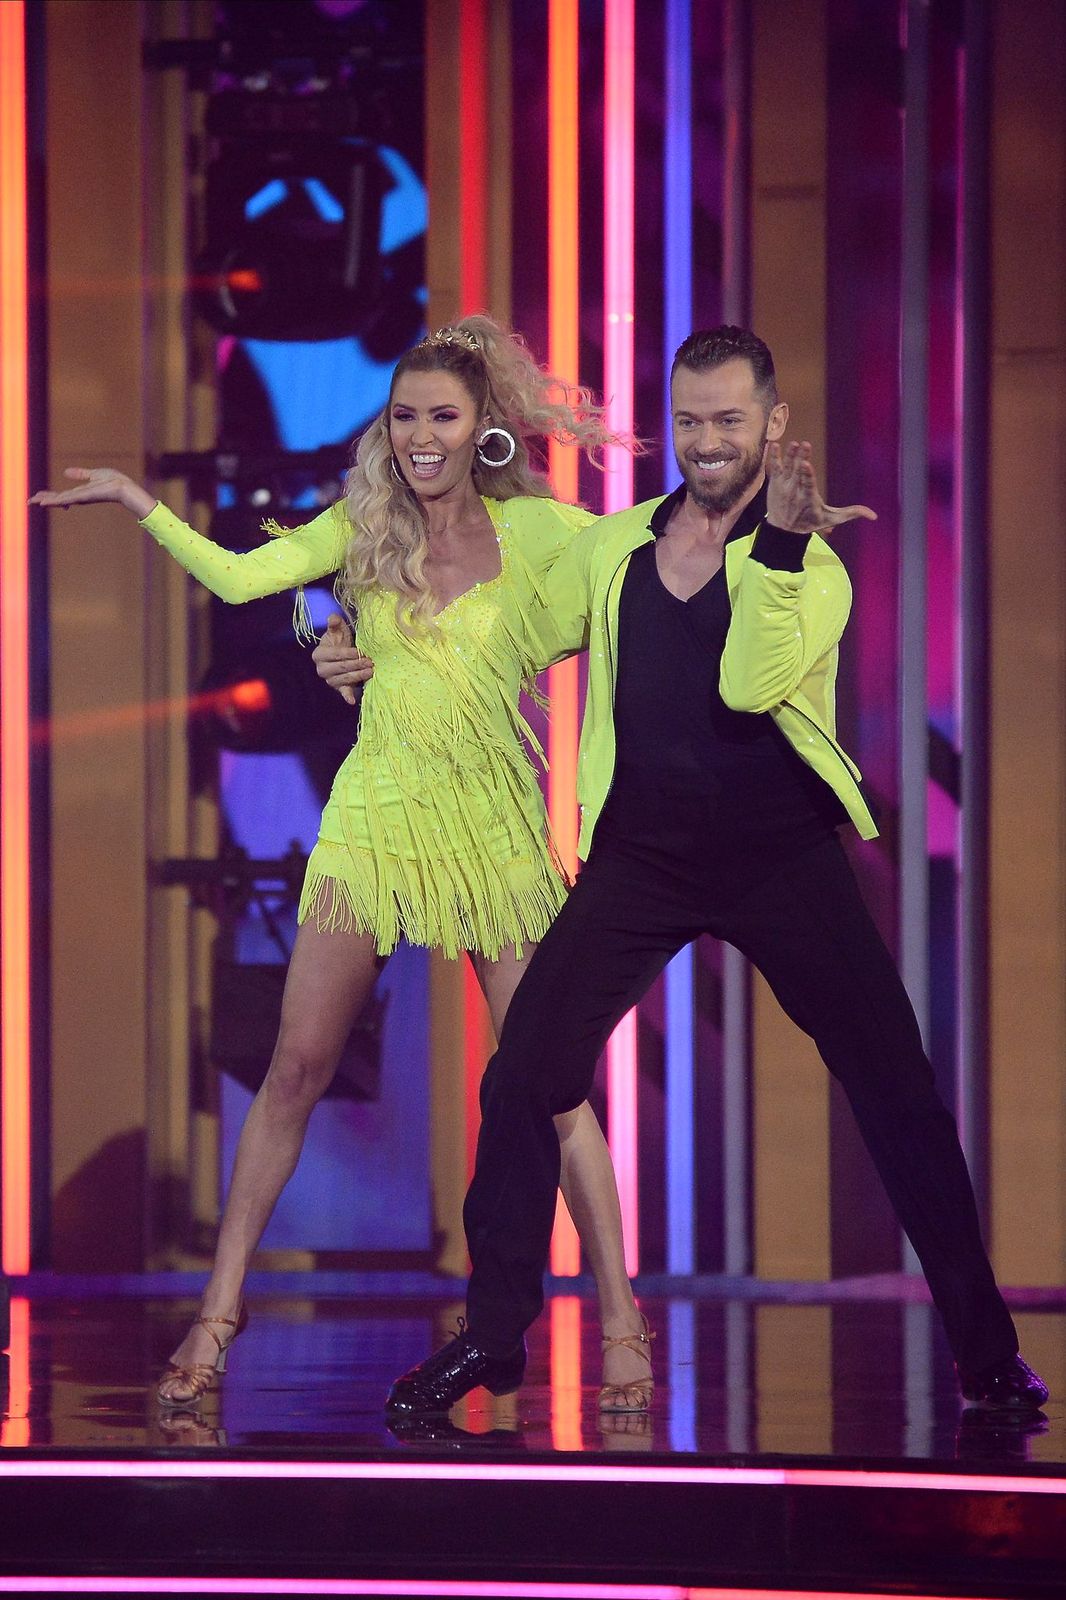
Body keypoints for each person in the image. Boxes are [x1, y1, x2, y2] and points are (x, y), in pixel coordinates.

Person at [376, 325, 1049, 1416]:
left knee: (897, 1095)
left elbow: (745, 685)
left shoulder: (812, 569)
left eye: (729, 422)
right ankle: (492, 1337)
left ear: (773, 426)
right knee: (524, 1072)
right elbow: (509, 634)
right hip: (640, 855)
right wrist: (367, 643)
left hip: (778, 856)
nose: (706, 442)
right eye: (689, 422)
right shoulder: (618, 544)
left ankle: (984, 1351)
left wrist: (777, 552)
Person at [30, 315, 655, 1414]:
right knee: (293, 1071)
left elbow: (646, 557)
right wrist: (142, 505)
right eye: (404, 415)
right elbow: (236, 579)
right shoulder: (363, 531)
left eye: (442, 417)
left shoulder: (546, 536)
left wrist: (743, 508)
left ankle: (621, 1326)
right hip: (371, 826)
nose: (420, 435)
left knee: (554, 1090)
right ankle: (217, 1317)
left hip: (496, 835)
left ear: (483, 432)